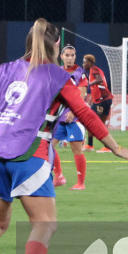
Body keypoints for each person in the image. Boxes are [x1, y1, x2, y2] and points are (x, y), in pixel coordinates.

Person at [0, 18, 128, 254]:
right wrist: (116, 147)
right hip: (30, 155)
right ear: (56, 45)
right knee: (45, 223)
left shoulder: (6, 69)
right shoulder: (57, 76)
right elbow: (85, 113)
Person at [51, 44, 89, 190]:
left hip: (75, 118)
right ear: (61, 57)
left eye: (72, 55)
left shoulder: (80, 73)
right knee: (47, 145)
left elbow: (81, 95)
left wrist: (73, 112)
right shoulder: (58, 72)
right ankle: (59, 176)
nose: (70, 58)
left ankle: (80, 183)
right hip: (59, 117)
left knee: (76, 150)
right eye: (67, 55)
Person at [82, 54, 114, 153]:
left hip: (102, 100)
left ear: (89, 62)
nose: (83, 64)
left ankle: (104, 146)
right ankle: (91, 145)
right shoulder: (96, 70)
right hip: (102, 100)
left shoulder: (94, 70)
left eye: (84, 62)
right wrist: (92, 98)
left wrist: (88, 84)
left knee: (94, 122)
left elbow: (99, 80)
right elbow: (99, 86)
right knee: (96, 123)